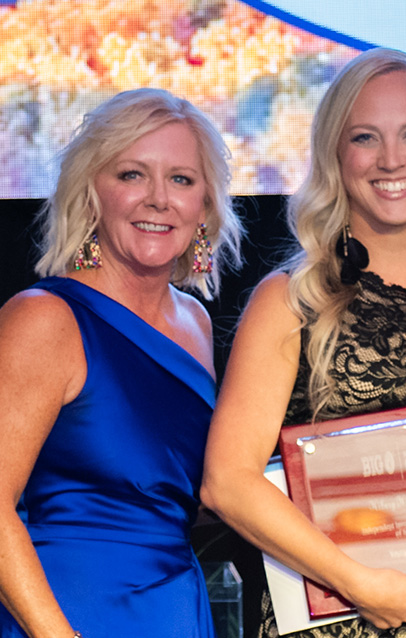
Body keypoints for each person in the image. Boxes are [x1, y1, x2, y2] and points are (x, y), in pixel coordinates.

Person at [200, 47, 406, 638]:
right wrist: (355, 581)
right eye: (366, 138)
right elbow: (228, 481)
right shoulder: (292, 298)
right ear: (335, 156)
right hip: (337, 618)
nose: (392, 159)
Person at [0, 88, 243, 637]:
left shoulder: (197, 324)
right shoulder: (45, 319)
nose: (158, 199)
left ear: (204, 205)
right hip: (66, 615)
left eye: (181, 179)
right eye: (132, 174)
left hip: (176, 609)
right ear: (91, 194)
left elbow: (166, 494)